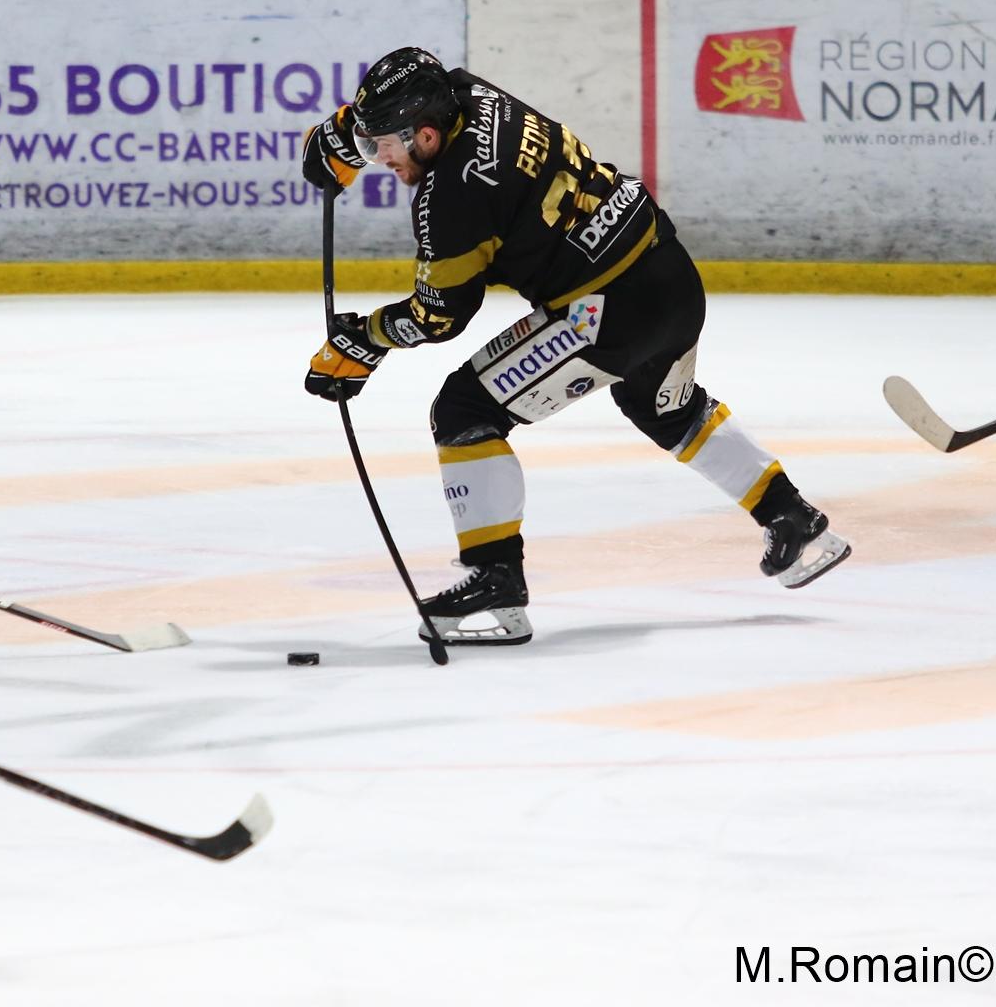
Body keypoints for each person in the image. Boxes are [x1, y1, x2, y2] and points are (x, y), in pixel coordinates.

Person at [301, 48, 849, 646]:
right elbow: (421, 90)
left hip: (605, 313)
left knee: (465, 412)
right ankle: (790, 516)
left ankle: (495, 580)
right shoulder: (471, 94)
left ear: (426, 135)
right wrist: (343, 134)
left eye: (386, 147)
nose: (380, 159)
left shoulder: (451, 197)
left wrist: (364, 341)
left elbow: (439, 316)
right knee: (664, 406)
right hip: (670, 273)